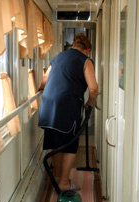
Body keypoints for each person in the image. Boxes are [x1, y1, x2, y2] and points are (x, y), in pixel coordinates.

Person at [38, 33, 98, 191]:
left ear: (73, 45)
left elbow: (44, 80)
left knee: (57, 144)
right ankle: (64, 183)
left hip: (48, 106)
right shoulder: (86, 61)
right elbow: (93, 88)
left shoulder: (58, 57)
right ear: (88, 50)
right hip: (66, 107)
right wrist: (90, 104)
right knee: (70, 146)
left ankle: (58, 178)